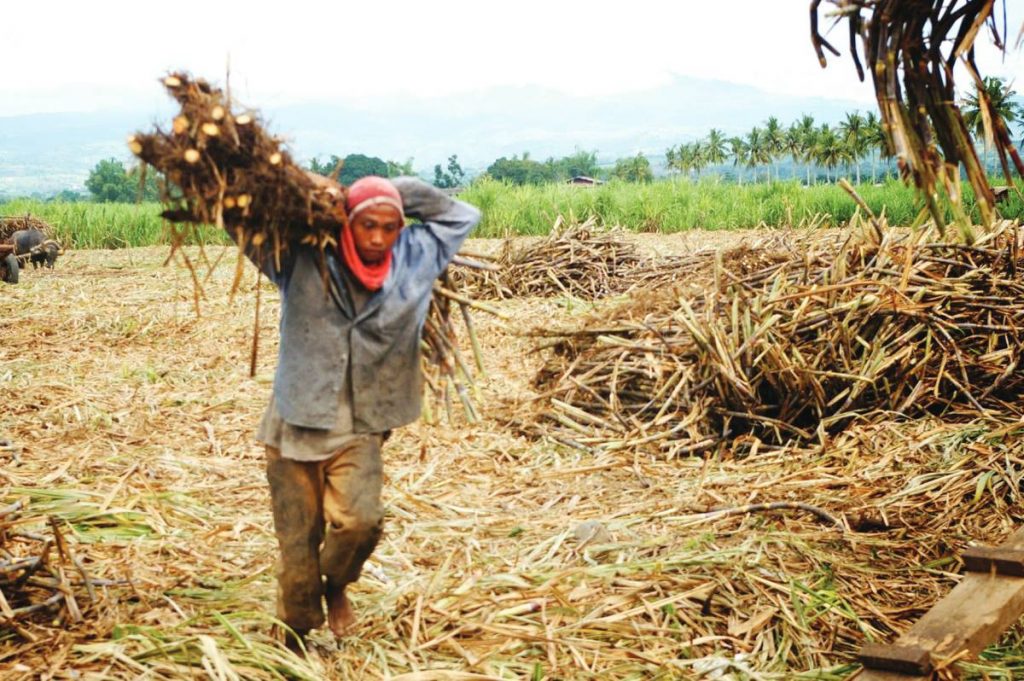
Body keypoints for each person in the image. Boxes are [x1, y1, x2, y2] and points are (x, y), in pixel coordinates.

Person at [239, 175, 480, 651]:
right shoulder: (300, 256)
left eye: (390, 226)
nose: (376, 238)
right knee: (298, 544)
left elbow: (462, 214)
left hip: (363, 424)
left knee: (361, 522)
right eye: (366, 224)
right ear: (346, 222)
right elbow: (239, 221)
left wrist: (387, 189)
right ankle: (296, 629)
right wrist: (328, 199)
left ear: (402, 228)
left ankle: (338, 586)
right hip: (295, 422)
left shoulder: (417, 257)